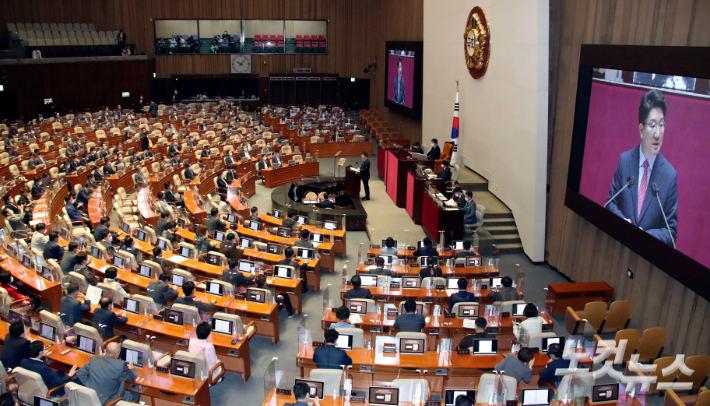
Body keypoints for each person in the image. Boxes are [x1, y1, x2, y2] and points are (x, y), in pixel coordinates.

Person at [606, 89, 678, 247]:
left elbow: (671, 232)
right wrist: (622, 222)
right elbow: (610, 203)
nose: (658, 134)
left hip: (646, 258)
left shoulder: (669, 175)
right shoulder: (625, 161)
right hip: (618, 248)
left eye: (661, 124)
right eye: (652, 125)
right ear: (641, 129)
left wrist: (644, 235)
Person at [76, 342, 140, 403]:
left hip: (92, 397)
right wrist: (132, 369)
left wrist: (89, 385)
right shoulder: (120, 364)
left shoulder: (94, 360)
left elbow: (80, 373)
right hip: (111, 400)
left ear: (106, 351)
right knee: (136, 395)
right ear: (117, 354)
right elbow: (131, 378)